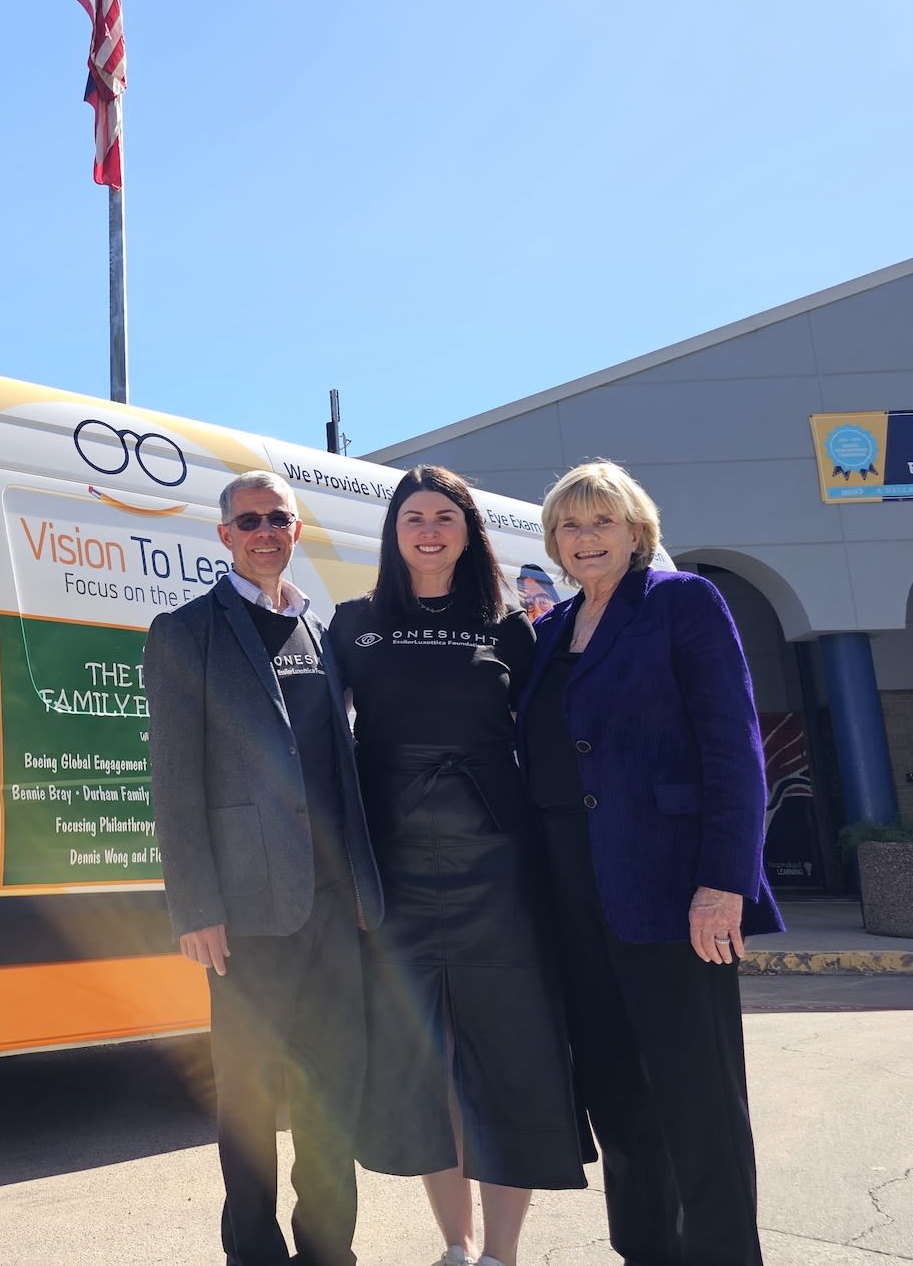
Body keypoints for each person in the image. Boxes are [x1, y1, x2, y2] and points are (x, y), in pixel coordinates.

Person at [514, 460, 783, 1266]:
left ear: (637, 531)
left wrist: (724, 884)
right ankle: (646, 1251)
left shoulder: (681, 602)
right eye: (570, 525)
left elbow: (735, 750)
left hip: (673, 893)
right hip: (572, 897)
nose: (585, 538)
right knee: (617, 1097)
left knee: (698, 1099)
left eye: (602, 521)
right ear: (553, 543)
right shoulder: (551, 630)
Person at [326, 466, 588, 1266]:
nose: (429, 530)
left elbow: (554, 742)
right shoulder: (353, 623)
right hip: (393, 861)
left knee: (511, 1052)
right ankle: (456, 1244)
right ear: (393, 532)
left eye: (445, 516)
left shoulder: (512, 628)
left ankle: (503, 1253)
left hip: (497, 860)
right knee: (423, 1057)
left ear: (469, 532)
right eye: (413, 517)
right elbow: (318, 741)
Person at [146, 470, 385, 1266]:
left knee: (333, 1093)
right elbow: (175, 783)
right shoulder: (186, 632)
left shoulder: (322, 632)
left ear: (295, 529)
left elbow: (343, 765)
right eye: (248, 521)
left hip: (334, 907)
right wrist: (195, 908)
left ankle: (329, 1251)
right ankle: (253, 1251)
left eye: (277, 518)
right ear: (224, 535)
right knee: (248, 1103)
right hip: (247, 913)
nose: (264, 532)